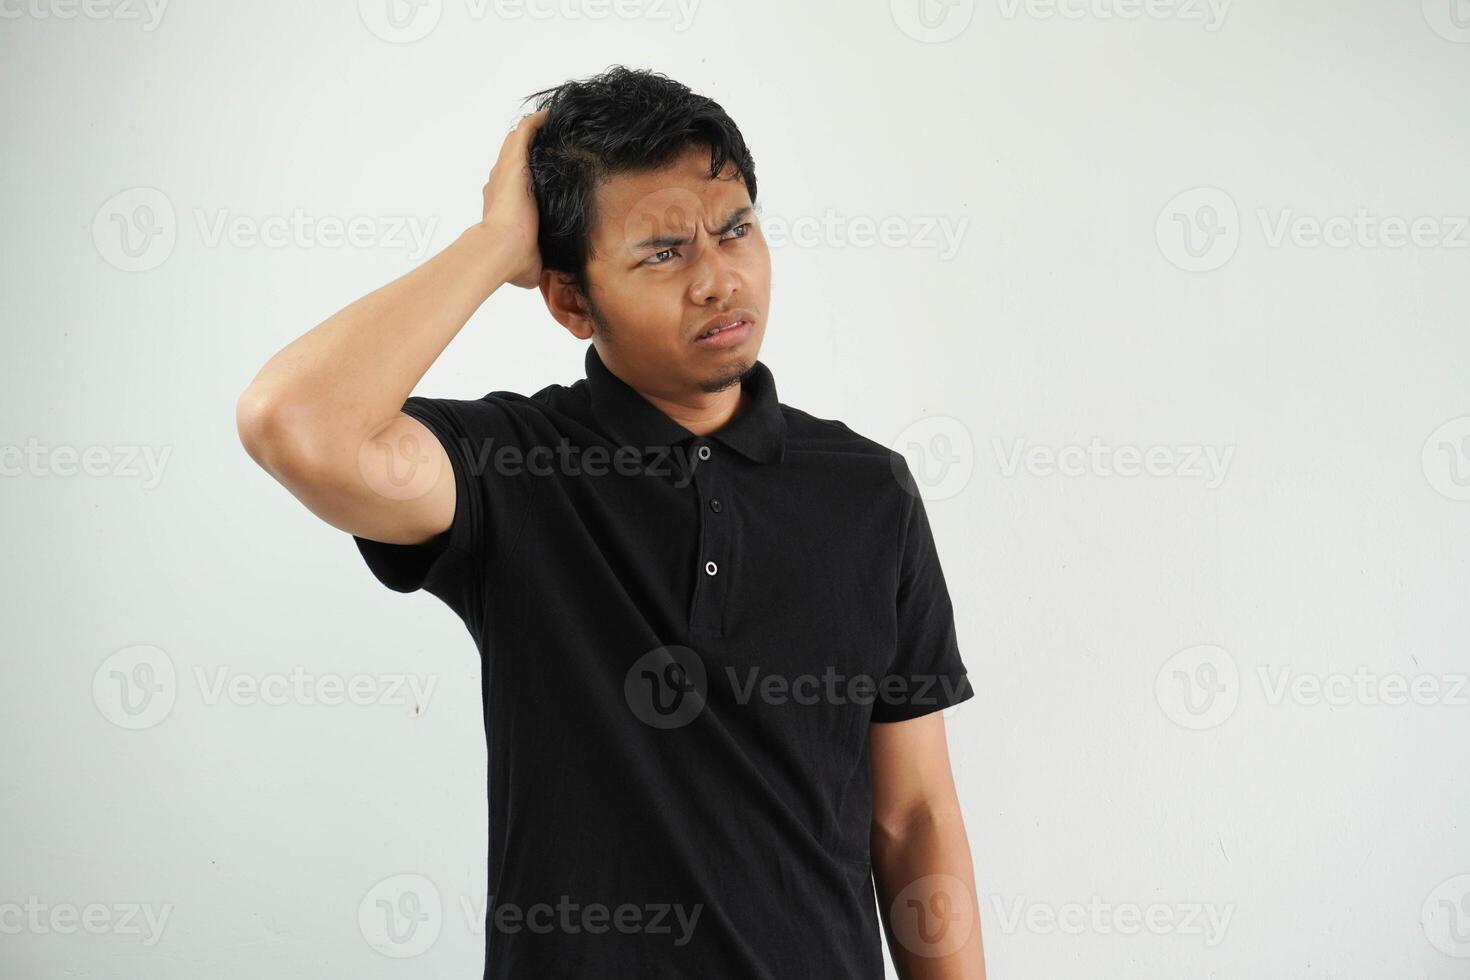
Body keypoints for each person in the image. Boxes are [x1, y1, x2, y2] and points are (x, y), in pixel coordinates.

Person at [236, 65, 986, 979]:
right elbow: (294, 424)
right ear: (568, 300)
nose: (718, 279)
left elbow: (914, 818)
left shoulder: (869, 492)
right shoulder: (511, 470)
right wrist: (491, 243)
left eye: (736, 229)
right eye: (662, 251)